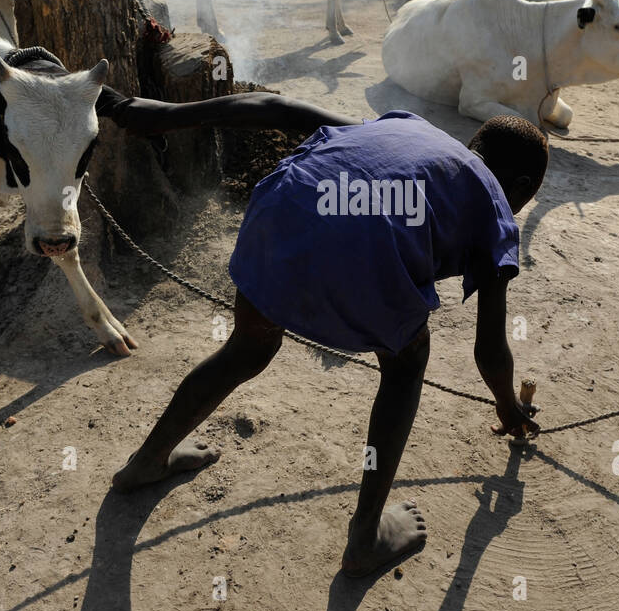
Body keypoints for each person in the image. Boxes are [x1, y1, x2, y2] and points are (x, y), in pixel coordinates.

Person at [100, 97, 549, 577]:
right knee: (407, 361)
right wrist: (506, 405)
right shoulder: (496, 205)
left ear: (471, 143)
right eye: (523, 199)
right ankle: (365, 536)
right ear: (521, 187)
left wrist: (161, 114)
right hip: (362, 242)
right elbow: (489, 349)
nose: (515, 209)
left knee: (248, 346)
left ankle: (147, 462)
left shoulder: (411, 127)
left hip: (283, 206)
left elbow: (277, 108)